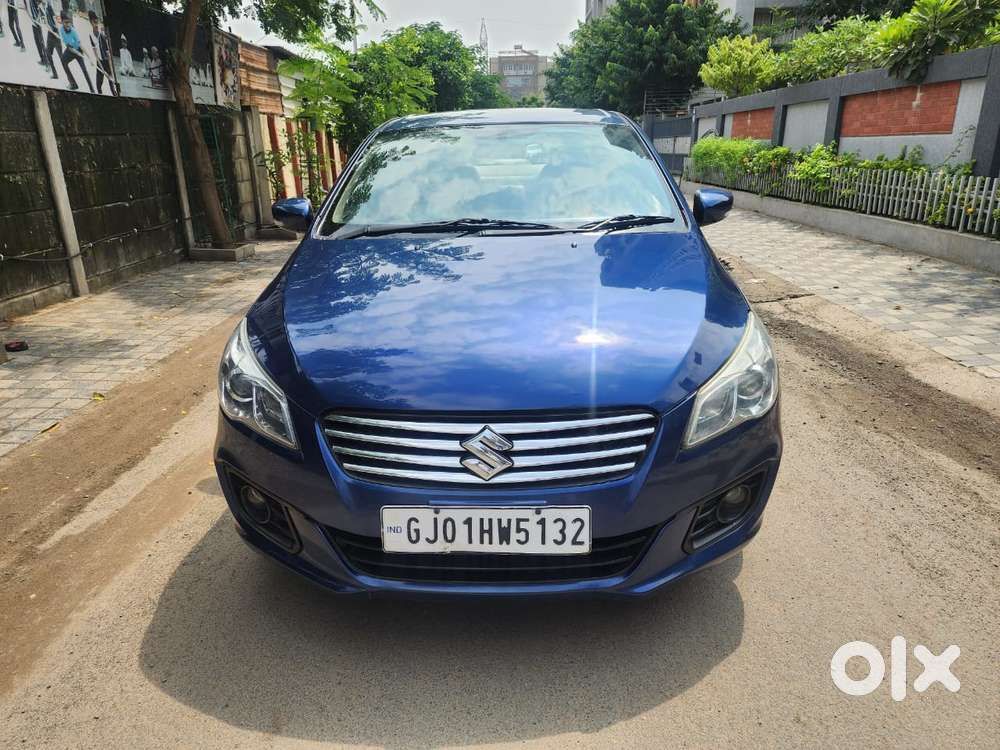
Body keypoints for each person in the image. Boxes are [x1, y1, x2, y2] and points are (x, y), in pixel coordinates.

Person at [58, 12, 93, 92]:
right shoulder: (61, 30)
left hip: (78, 50)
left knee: (84, 70)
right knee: (63, 61)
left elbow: (81, 45)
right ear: (62, 22)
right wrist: (74, 51)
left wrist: (89, 58)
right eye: (66, 22)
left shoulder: (73, 31)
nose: (68, 24)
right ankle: (73, 84)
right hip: (70, 50)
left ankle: (92, 90)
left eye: (69, 22)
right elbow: (69, 47)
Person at [87, 10, 116, 95]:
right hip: (100, 63)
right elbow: (95, 54)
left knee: (112, 87)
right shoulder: (91, 36)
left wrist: (110, 71)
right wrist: (102, 69)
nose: (96, 25)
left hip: (107, 63)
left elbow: (108, 55)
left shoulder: (102, 36)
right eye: (93, 22)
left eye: (97, 22)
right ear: (90, 22)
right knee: (98, 86)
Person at [27, 0, 46, 68]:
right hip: (33, 22)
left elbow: (41, 5)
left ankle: (46, 61)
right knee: (37, 41)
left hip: (37, 22)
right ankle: (43, 59)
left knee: (40, 41)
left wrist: (38, 19)